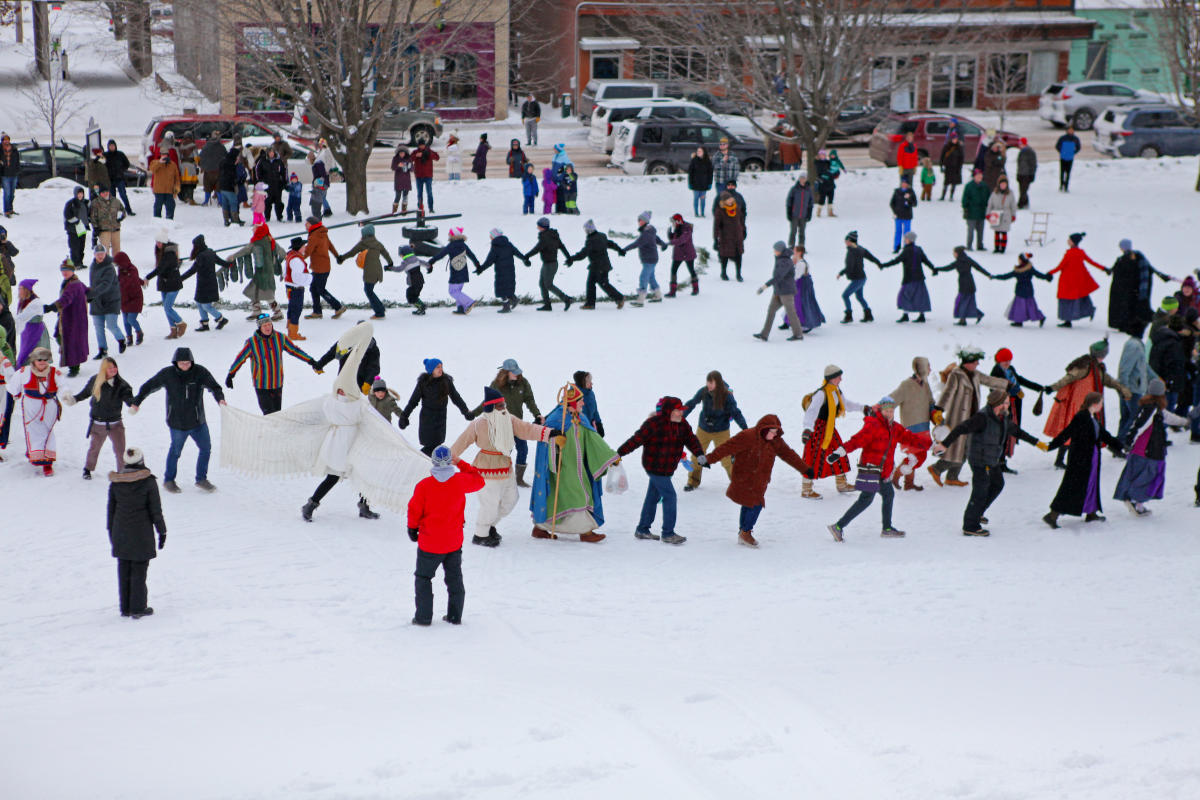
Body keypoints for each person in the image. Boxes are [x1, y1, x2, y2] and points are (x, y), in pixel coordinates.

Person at [451, 386, 556, 548]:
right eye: (500, 405)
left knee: (511, 500)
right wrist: (448, 457)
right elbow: (462, 441)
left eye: (504, 404)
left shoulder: (509, 419)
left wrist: (548, 433)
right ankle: (481, 534)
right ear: (491, 407)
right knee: (490, 504)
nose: (504, 408)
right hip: (485, 470)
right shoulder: (479, 424)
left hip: (505, 467)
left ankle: (489, 525)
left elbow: (526, 429)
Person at [826, 397, 939, 541]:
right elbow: (857, 440)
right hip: (871, 470)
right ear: (880, 411)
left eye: (891, 411)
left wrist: (932, 446)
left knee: (888, 495)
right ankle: (838, 526)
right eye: (886, 411)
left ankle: (886, 528)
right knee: (866, 500)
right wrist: (839, 452)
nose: (889, 414)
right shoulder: (873, 425)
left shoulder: (894, 427)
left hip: (883, 471)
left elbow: (911, 438)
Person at [940, 389, 1046, 536]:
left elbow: (1017, 431)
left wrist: (1037, 443)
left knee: (997, 484)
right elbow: (961, 428)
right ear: (998, 404)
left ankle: (978, 512)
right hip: (979, 459)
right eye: (1006, 403)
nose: (1008, 405)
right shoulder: (982, 418)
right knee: (980, 490)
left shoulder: (1003, 418)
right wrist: (944, 444)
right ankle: (970, 525)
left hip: (991, 458)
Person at [695, 413, 810, 547]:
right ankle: (745, 532)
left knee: (749, 503)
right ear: (765, 429)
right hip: (744, 476)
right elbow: (726, 448)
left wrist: (805, 469)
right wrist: (708, 459)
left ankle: (743, 531)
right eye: (772, 432)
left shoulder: (776, 441)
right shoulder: (747, 436)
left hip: (761, 479)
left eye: (776, 432)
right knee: (756, 503)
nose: (774, 435)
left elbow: (789, 454)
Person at [529, 382, 620, 543]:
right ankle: (585, 532)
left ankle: (540, 527)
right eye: (580, 401)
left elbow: (593, 439)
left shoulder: (580, 418)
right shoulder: (557, 419)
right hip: (562, 467)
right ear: (572, 402)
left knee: (578, 494)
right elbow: (545, 439)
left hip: (578, 466)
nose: (583, 403)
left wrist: (611, 456)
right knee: (578, 495)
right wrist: (555, 442)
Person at [130, 347, 226, 494]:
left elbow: (215, 387)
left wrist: (220, 399)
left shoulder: (200, 372)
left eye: (188, 363)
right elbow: (149, 386)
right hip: (177, 423)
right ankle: (169, 480)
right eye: (182, 363)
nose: (185, 366)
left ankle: (201, 479)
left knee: (206, 449)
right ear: (176, 363)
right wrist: (137, 401)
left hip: (198, 422)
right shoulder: (167, 374)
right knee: (175, 451)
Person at [408, 447, 485, 626]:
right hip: (453, 541)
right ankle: (454, 616)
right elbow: (479, 479)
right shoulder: (460, 481)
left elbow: (414, 509)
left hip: (429, 543)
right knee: (454, 579)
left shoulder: (424, 485)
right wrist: (460, 462)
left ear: (433, 461)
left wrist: (412, 528)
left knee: (424, 578)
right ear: (450, 461)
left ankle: (423, 617)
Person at [616, 396, 703, 545]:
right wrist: (620, 453)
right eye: (678, 410)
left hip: (668, 467)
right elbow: (636, 440)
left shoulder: (682, 424)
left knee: (653, 497)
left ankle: (642, 529)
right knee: (670, 496)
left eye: (681, 410)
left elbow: (691, 439)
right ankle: (668, 533)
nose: (681, 413)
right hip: (654, 466)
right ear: (669, 411)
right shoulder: (654, 424)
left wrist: (699, 453)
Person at [1043, 339, 1132, 469]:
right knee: (1074, 431)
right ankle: (1061, 460)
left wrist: (1122, 389)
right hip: (1077, 405)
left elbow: (1109, 381)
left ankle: (1113, 450)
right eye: (1103, 355)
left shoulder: (1097, 368)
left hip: (1091, 405)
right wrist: (1052, 388)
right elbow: (1068, 378)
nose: (1103, 357)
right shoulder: (1084, 366)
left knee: (1090, 430)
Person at [929, 347, 1009, 487]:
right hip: (958, 417)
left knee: (965, 448)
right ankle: (937, 469)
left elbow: (989, 380)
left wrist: (1007, 384)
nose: (978, 364)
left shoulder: (976, 374)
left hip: (972, 417)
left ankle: (952, 477)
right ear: (968, 362)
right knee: (958, 449)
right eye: (975, 361)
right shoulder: (956, 375)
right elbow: (948, 392)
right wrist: (939, 409)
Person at [1044, 392, 1122, 527]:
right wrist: (1050, 446)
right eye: (1101, 403)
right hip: (1079, 459)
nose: (1102, 405)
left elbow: (1104, 435)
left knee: (1091, 484)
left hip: (1091, 458)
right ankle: (1052, 515)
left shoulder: (1093, 417)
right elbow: (1067, 433)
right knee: (1071, 487)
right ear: (1094, 404)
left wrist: (1121, 446)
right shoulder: (1081, 417)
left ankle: (1091, 512)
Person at [106, 446, 166, 619]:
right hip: (141, 533)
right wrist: (162, 531)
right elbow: (156, 511)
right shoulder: (148, 482)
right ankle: (138, 608)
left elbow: (111, 511)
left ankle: (125, 607)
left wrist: (111, 533)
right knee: (139, 570)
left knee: (123, 569)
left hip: (120, 531)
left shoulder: (116, 482)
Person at [1114, 378, 1189, 516]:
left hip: (1147, 449)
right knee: (1147, 477)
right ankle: (1135, 500)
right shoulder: (1151, 409)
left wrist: (1184, 421)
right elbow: (1139, 426)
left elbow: (1169, 417)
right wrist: (1129, 442)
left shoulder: (1153, 407)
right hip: (1147, 450)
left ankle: (1137, 503)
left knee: (1139, 476)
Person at [226, 314, 320, 415]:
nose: (268, 327)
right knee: (269, 414)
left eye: (269, 324)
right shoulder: (252, 343)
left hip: (277, 383)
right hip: (262, 384)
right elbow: (240, 358)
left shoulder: (280, 338)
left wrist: (311, 361)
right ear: (260, 327)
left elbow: (294, 350)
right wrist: (231, 374)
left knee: (277, 414)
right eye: (264, 325)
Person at [471, 358, 542, 487]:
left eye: (517, 371)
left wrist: (537, 414)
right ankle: (498, 476)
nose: (517, 374)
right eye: (514, 372)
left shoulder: (523, 383)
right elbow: (487, 402)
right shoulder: (496, 385)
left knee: (523, 449)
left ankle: (519, 479)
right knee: (504, 452)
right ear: (506, 372)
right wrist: (473, 413)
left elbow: (529, 400)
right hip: (502, 425)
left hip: (517, 424)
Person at [798, 363, 864, 497]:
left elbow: (846, 405)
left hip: (829, 429)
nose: (841, 379)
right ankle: (806, 489)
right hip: (817, 430)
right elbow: (811, 411)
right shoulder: (821, 394)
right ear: (832, 378)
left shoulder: (836, 391)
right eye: (839, 377)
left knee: (838, 452)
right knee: (812, 457)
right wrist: (807, 429)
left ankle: (842, 484)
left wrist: (864, 408)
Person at [62, 356, 133, 478]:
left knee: (120, 450)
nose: (113, 370)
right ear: (103, 369)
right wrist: (74, 399)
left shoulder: (122, 384)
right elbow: (85, 393)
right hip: (98, 424)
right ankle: (88, 469)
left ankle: (122, 472)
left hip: (116, 424)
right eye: (110, 368)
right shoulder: (95, 380)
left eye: (114, 367)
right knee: (94, 448)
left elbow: (128, 398)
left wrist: (133, 404)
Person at [682, 370, 748, 492]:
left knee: (726, 458)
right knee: (697, 456)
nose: (709, 385)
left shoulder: (727, 396)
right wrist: (681, 416)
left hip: (721, 431)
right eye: (708, 382)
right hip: (703, 429)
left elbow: (735, 412)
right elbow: (691, 403)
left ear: (718, 383)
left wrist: (745, 428)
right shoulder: (703, 391)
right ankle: (692, 482)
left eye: (711, 382)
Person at [1, 346, 63, 475]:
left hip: (49, 406)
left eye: (45, 359)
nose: (42, 362)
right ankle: (35, 453)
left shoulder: (54, 372)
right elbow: (13, 386)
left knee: (47, 432)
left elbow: (63, 385)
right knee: (33, 432)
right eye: (39, 359)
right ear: (34, 360)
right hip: (31, 406)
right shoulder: (24, 372)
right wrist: (15, 393)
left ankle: (47, 463)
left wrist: (67, 394)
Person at [399, 358, 473, 456]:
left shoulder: (446, 381)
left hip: (440, 419)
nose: (440, 369)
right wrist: (404, 416)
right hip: (427, 419)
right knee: (430, 447)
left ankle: (423, 462)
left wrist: (466, 411)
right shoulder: (423, 383)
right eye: (437, 367)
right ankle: (419, 460)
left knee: (436, 446)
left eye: (441, 366)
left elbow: (456, 397)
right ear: (431, 370)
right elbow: (413, 401)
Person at [990, 347, 1045, 474]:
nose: (1008, 363)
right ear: (999, 360)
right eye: (1005, 361)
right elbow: (994, 390)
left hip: (1013, 405)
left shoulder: (1010, 369)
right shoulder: (996, 372)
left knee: (1008, 433)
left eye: (1009, 360)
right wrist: (1012, 391)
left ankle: (1002, 462)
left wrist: (1038, 387)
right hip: (1003, 407)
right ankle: (998, 462)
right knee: (1003, 433)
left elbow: (1020, 380)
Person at [888, 356, 935, 491]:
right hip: (911, 428)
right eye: (928, 366)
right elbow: (892, 399)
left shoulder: (925, 384)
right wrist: (879, 409)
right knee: (917, 456)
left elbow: (931, 402)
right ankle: (897, 474)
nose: (930, 369)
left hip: (924, 426)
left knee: (918, 455)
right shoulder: (906, 385)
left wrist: (935, 413)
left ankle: (909, 483)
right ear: (922, 368)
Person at [1107, 238, 1173, 334]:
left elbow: (1143, 270)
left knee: (1137, 309)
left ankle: (1163, 321)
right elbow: (1150, 268)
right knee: (1136, 308)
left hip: (1130, 290)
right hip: (1132, 290)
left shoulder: (1130, 258)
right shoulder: (1133, 257)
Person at [1047, 232, 1109, 328]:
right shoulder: (1080, 252)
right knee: (1080, 298)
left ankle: (1068, 320)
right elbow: (1092, 262)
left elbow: (1061, 266)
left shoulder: (1069, 254)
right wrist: (1104, 268)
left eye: (1069, 240)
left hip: (1067, 281)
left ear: (1073, 242)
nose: (1068, 241)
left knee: (1067, 300)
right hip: (1078, 280)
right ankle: (1089, 311)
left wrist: (1050, 273)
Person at [228, 223, 283, 322]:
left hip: (262, 272)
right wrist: (277, 262)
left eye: (254, 228)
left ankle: (277, 312)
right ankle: (257, 311)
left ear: (259, 230)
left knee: (267, 293)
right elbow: (282, 252)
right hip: (268, 271)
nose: (252, 229)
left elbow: (245, 250)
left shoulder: (256, 242)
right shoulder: (271, 241)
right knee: (254, 291)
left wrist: (233, 256)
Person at [337, 223, 394, 319]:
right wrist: (390, 263)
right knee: (369, 290)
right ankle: (380, 308)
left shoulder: (363, 244)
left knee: (368, 290)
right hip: (378, 270)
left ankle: (379, 312)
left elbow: (352, 253)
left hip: (370, 271)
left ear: (364, 234)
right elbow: (386, 254)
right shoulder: (378, 243)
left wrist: (341, 258)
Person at [567, 219, 625, 309]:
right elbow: (610, 244)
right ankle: (590, 303)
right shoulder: (601, 236)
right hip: (600, 265)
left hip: (599, 266)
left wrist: (572, 259)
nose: (585, 231)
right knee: (591, 283)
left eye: (586, 229)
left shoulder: (591, 240)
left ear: (589, 230)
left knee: (603, 284)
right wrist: (619, 250)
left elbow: (584, 253)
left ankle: (619, 298)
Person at [753, 241, 804, 342]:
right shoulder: (780, 259)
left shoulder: (785, 261)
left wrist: (764, 286)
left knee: (791, 313)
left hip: (786, 292)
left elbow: (778, 277)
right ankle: (764, 334)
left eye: (776, 250)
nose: (774, 251)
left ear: (781, 250)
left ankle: (798, 334)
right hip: (778, 291)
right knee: (771, 311)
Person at [45, 260, 89, 376]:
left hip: (73, 319)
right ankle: (74, 364)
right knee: (63, 338)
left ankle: (74, 367)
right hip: (71, 317)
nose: (64, 272)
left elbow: (65, 299)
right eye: (63, 270)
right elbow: (87, 291)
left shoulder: (73, 284)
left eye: (67, 270)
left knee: (70, 341)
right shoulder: (73, 282)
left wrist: (51, 307)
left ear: (72, 271)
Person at [880, 230, 935, 323]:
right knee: (920, 296)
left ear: (910, 240)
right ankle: (921, 315)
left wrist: (884, 265)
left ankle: (905, 315)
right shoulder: (918, 249)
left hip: (909, 278)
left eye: (906, 238)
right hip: (919, 277)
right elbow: (926, 260)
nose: (904, 239)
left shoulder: (907, 250)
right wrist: (933, 268)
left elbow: (896, 260)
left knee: (904, 296)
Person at [180, 235, 230, 333]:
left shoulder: (201, 256)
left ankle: (221, 319)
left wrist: (180, 279)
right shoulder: (210, 252)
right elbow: (221, 262)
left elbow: (192, 270)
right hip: (208, 283)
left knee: (206, 305)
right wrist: (229, 264)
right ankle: (205, 324)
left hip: (205, 284)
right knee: (199, 303)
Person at [1117, 320, 1157, 441]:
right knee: (1134, 417)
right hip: (1132, 388)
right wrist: (1125, 389)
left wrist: (1155, 378)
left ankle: (1119, 442)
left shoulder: (1136, 344)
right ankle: (1122, 442)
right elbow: (1125, 369)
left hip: (1132, 386)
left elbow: (1143, 365)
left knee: (1127, 417)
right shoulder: (1134, 346)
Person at [932, 245, 991, 326]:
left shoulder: (958, 262)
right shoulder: (968, 259)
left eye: (954, 253)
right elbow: (978, 267)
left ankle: (963, 320)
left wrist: (937, 269)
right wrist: (988, 274)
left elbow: (948, 268)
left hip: (964, 284)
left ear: (957, 253)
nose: (953, 254)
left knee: (961, 301)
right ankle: (977, 314)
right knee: (967, 302)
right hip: (970, 283)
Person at [144, 231, 186, 340]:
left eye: (160, 242)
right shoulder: (160, 252)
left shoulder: (170, 253)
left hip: (173, 283)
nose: (158, 244)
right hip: (164, 284)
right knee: (166, 308)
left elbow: (160, 268)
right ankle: (173, 330)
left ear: (165, 242)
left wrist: (147, 277)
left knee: (167, 307)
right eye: (156, 242)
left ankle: (181, 323)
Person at [427, 226, 478, 315]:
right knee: (458, 291)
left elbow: (440, 255)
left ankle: (469, 302)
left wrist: (431, 261)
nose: (448, 235)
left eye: (450, 233)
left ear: (453, 235)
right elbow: (472, 255)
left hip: (456, 272)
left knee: (453, 291)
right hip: (463, 271)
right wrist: (477, 265)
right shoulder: (463, 245)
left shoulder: (451, 245)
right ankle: (460, 308)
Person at [477, 228, 530, 313]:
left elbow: (489, 261)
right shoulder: (508, 244)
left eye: (491, 235)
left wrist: (481, 268)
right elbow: (517, 252)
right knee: (508, 286)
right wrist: (524, 259)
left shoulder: (495, 246)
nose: (490, 237)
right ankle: (514, 299)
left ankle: (506, 307)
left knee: (501, 289)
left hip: (500, 271)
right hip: (510, 270)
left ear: (494, 236)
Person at [525, 217, 572, 312]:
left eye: (538, 225)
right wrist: (568, 257)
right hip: (549, 263)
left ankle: (566, 299)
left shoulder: (545, 238)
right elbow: (562, 247)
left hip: (550, 265)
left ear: (542, 226)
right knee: (542, 284)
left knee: (548, 285)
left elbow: (537, 249)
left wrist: (527, 256)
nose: (537, 227)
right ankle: (547, 305)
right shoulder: (553, 235)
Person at [992, 252, 1051, 327]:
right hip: (1028, 290)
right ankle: (1040, 317)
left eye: (1019, 259)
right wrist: (1046, 277)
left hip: (1020, 290)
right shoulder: (1029, 269)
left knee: (1020, 307)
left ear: (1022, 260)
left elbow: (1006, 276)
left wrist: (995, 277)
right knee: (1031, 306)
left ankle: (1019, 321)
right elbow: (1039, 275)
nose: (1018, 260)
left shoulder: (1018, 270)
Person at [87, 243, 126, 357]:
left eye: (102, 253)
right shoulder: (93, 266)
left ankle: (121, 339)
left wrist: (91, 294)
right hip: (97, 301)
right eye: (98, 254)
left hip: (111, 300)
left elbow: (105, 284)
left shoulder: (109, 267)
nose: (100, 256)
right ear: (94, 255)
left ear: (105, 254)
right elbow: (93, 284)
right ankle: (102, 349)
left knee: (111, 325)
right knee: (98, 327)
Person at [622, 210, 668, 307]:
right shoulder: (649, 231)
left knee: (643, 277)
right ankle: (658, 295)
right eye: (638, 220)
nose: (638, 221)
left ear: (644, 221)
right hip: (651, 258)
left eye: (640, 220)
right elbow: (656, 239)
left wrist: (624, 250)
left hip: (649, 259)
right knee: (651, 277)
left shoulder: (646, 233)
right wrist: (663, 244)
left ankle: (640, 300)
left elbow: (636, 243)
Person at [302, 216, 344, 320]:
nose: (305, 226)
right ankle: (317, 311)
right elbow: (330, 246)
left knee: (320, 289)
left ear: (312, 225)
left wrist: (295, 258)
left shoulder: (314, 236)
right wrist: (337, 256)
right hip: (324, 266)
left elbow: (307, 252)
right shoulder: (322, 233)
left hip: (319, 268)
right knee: (314, 288)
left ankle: (338, 306)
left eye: (307, 224)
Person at [837, 231, 880, 324]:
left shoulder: (853, 251)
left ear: (850, 241)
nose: (845, 242)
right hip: (861, 277)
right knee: (859, 297)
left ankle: (849, 316)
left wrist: (841, 273)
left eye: (846, 240)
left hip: (858, 279)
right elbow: (871, 257)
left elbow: (850, 267)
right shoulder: (860, 249)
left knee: (845, 295)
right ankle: (868, 315)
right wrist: (878, 263)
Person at [784, 244, 823, 333]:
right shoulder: (799, 262)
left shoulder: (801, 264)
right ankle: (788, 321)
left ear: (799, 252)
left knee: (799, 305)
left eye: (795, 250)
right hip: (801, 286)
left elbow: (796, 276)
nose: (793, 252)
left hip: (801, 287)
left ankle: (804, 324)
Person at [13, 279, 50, 368]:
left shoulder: (35, 303)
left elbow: (22, 317)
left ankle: (36, 370)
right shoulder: (23, 301)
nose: (19, 291)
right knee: (25, 351)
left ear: (26, 290)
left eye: (21, 288)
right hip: (27, 331)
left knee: (34, 352)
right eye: (19, 288)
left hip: (36, 331)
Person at [112, 251, 145, 347]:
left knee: (131, 319)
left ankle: (139, 332)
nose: (118, 266)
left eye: (118, 263)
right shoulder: (121, 270)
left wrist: (118, 284)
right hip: (124, 299)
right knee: (126, 320)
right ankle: (129, 337)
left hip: (135, 298)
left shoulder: (132, 269)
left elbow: (131, 281)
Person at [713, 191, 746, 282]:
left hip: (737, 236)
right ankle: (723, 272)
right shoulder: (720, 211)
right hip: (726, 236)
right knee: (725, 255)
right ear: (724, 201)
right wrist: (715, 239)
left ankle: (738, 274)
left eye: (730, 198)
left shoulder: (737, 208)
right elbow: (716, 226)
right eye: (727, 199)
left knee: (739, 255)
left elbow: (741, 220)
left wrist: (744, 230)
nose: (730, 200)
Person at [986, 176, 1017, 254]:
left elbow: (1013, 205)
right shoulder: (994, 193)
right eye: (1001, 184)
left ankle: (1003, 248)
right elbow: (990, 204)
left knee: (1004, 232)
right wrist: (988, 214)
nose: (1003, 185)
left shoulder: (1010, 193)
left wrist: (1013, 215)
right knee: (997, 231)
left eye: (1004, 184)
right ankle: (996, 247)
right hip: (996, 214)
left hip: (1006, 215)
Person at [397, 244, 431, 316]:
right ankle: (421, 307)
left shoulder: (405, 262)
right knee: (414, 296)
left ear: (404, 254)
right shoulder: (416, 259)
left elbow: (399, 269)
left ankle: (422, 307)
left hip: (414, 282)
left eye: (401, 255)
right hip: (420, 281)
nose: (401, 257)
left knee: (410, 297)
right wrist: (429, 267)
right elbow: (425, 263)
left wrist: (390, 268)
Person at [961, 169, 989, 252]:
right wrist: (966, 208)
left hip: (981, 212)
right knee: (971, 230)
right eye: (977, 175)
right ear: (974, 176)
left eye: (980, 175)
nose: (979, 177)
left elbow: (988, 197)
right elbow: (965, 199)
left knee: (981, 230)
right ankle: (969, 245)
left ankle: (980, 245)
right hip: (971, 212)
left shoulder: (985, 186)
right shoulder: (969, 186)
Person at [91, 186, 125, 254]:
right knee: (105, 250)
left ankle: (116, 261)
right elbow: (93, 217)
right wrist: (95, 227)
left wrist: (121, 217)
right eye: (103, 192)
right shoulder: (95, 202)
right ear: (100, 193)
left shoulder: (116, 201)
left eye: (106, 192)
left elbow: (123, 211)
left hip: (115, 229)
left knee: (117, 250)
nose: (105, 193)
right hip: (104, 230)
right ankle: (106, 260)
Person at [785, 170, 815, 248]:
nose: (802, 179)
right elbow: (789, 201)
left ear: (806, 179)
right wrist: (789, 212)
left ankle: (801, 246)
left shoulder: (808, 190)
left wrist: (809, 213)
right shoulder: (794, 189)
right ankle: (791, 246)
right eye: (801, 178)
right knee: (793, 231)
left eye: (804, 178)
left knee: (802, 232)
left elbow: (811, 202)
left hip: (804, 215)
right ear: (799, 179)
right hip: (794, 214)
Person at [216, 144, 244, 227]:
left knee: (225, 204)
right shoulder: (231, 164)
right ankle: (235, 220)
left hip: (222, 186)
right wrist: (235, 183)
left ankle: (226, 220)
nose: (238, 157)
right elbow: (232, 176)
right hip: (229, 187)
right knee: (233, 203)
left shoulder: (223, 161)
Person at [889, 177, 918, 253]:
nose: (904, 184)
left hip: (907, 216)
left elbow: (915, 203)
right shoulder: (897, 192)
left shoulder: (911, 192)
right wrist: (895, 211)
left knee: (907, 233)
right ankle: (896, 247)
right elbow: (892, 203)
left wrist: (909, 200)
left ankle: (906, 248)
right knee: (898, 232)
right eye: (903, 183)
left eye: (905, 183)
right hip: (898, 216)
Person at [63, 186, 90, 266]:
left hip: (82, 228)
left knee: (81, 246)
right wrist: (76, 220)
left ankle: (80, 262)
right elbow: (67, 215)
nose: (80, 195)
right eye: (78, 193)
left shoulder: (85, 203)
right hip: (73, 229)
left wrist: (88, 221)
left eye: (81, 193)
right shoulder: (71, 203)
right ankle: (75, 263)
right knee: (75, 247)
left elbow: (88, 214)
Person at [149, 152, 180, 220]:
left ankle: (169, 220)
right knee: (158, 206)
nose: (164, 156)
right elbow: (152, 169)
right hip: (158, 190)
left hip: (169, 190)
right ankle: (157, 219)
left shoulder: (173, 164)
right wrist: (160, 162)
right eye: (162, 155)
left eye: (166, 155)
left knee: (171, 205)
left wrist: (177, 187)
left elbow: (176, 177)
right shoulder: (155, 162)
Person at [711, 138, 740, 209]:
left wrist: (734, 180)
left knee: (731, 199)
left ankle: (730, 211)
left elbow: (737, 167)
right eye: (720, 144)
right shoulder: (716, 155)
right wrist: (722, 161)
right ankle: (721, 212)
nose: (722, 146)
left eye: (723, 144)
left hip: (730, 182)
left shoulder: (732, 154)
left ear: (727, 145)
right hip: (720, 182)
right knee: (721, 198)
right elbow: (714, 167)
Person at [198, 135, 226, 207]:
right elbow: (226, 157)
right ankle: (220, 202)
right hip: (218, 171)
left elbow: (200, 157)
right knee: (218, 187)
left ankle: (206, 201)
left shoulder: (205, 147)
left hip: (208, 171)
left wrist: (202, 166)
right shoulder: (222, 147)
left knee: (207, 187)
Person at [411, 141, 439, 212]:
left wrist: (429, 154)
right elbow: (409, 159)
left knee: (429, 192)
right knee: (419, 193)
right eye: (420, 145)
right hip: (419, 176)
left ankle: (431, 208)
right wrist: (416, 156)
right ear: (418, 145)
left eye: (423, 145)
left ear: (425, 145)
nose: (422, 146)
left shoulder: (429, 151)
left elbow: (437, 158)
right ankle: (420, 208)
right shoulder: (415, 152)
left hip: (428, 176)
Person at [687, 146, 713, 217]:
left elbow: (710, 173)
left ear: (704, 152)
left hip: (704, 184)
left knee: (703, 199)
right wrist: (690, 183)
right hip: (695, 184)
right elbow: (690, 173)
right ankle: (696, 212)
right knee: (696, 198)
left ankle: (702, 212)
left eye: (700, 151)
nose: (698, 152)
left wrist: (710, 183)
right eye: (697, 151)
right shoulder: (694, 160)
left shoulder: (708, 161)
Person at [814, 148, 840, 216]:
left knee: (831, 198)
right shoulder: (818, 163)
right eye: (821, 154)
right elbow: (821, 172)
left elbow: (834, 169)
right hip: (823, 184)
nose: (822, 156)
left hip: (831, 184)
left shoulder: (828, 162)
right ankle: (818, 212)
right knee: (822, 199)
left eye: (824, 154)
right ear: (819, 156)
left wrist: (836, 173)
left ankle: (830, 212)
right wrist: (829, 174)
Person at [1055, 125, 1081, 192]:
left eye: (1072, 130)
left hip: (1070, 158)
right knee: (1062, 172)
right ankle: (1061, 185)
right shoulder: (1062, 138)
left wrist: (1073, 152)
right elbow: (1057, 146)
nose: (1070, 131)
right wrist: (1062, 152)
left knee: (1068, 173)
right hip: (1063, 157)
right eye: (1069, 130)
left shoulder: (1075, 139)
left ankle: (1066, 186)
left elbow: (1078, 147)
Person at [939, 133, 964, 201]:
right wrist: (941, 165)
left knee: (954, 182)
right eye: (953, 138)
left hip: (956, 168)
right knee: (946, 182)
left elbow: (961, 158)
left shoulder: (959, 147)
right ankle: (943, 196)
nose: (955, 140)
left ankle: (951, 196)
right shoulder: (947, 146)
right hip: (948, 167)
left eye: (956, 139)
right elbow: (942, 156)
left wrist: (960, 167)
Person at [0, 134, 20, 216]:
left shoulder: (14, 149)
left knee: (12, 194)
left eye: (7, 140)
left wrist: (17, 170)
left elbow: (17, 161)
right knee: (7, 193)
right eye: (4, 140)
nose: (6, 141)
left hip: (14, 174)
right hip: (5, 174)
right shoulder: (1, 150)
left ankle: (10, 209)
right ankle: (6, 210)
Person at [1015, 138, 1037, 209]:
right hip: (1021, 173)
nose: (1019, 145)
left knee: (1023, 190)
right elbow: (1019, 164)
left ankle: (1021, 204)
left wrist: (1032, 174)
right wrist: (1018, 173)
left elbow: (1033, 164)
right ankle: (1025, 203)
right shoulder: (1022, 151)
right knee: (1022, 190)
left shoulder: (1030, 152)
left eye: (1020, 144)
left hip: (1027, 174)